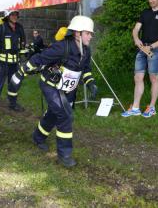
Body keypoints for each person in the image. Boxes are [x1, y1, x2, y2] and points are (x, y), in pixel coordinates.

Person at [10, 15, 98, 167]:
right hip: (51, 86)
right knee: (65, 116)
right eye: (88, 33)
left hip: (68, 89)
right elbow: (38, 59)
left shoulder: (86, 51)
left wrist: (90, 83)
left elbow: (86, 69)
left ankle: (38, 137)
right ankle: (65, 155)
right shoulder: (62, 47)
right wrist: (20, 73)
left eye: (91, 34)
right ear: (77, 33)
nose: (90, 36)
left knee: (54, 113)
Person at [122, 0, 158, 118]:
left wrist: (152, 46)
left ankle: (151, 107)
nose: (150, 1)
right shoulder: (145, 13)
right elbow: (136, 29)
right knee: (138, 77)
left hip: (156, 50)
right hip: (142, 49)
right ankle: (135, 108)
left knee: (153, 78)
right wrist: (136, 38)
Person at [0, 9, 27, 117]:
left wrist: (22, 60)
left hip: (14, 63)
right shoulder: (0, 28)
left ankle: (13, 104)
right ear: (7, 16)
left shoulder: (19, 28)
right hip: (2, 63)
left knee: (14, 84)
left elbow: (22, 45)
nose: (15, 16)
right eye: (12, 14)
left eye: (16, 14)